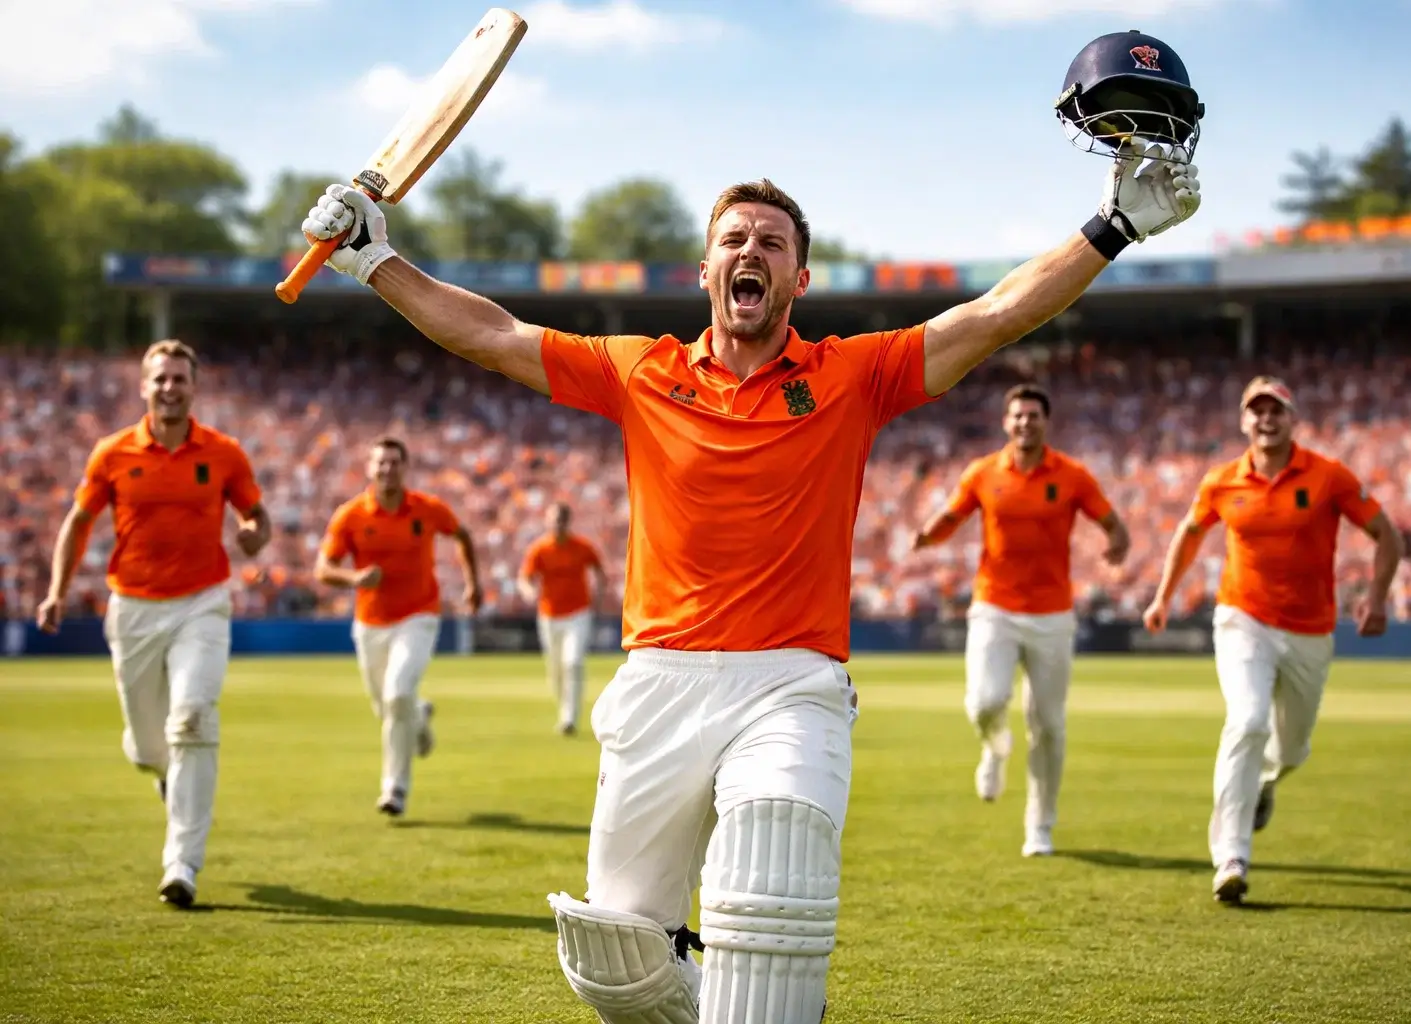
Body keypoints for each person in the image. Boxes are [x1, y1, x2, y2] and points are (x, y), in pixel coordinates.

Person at [297, 134, 1200, 1022]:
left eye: (771, 243)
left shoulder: (853, 374)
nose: (750, 253)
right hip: (659, 681)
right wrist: (378, 259)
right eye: (734, 240)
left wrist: (1112, 224)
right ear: (704, 270)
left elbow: (995, 314)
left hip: (791, 681)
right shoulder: (638, 370)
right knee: (614, 960)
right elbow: (494, 335)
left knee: (774, 861)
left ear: (799, 280)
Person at [1142, 376, 1402, 904]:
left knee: (1292, 749)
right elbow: (1190, 535)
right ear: (1243, 421)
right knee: (1246, 720)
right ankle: (1231, 856)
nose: (1265, 419)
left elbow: (1386, 535)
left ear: (1292, 419)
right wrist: (1163, 596)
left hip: (1310, 629)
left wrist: (1376, 597)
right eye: (1255, 410)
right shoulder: (1221, 482)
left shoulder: (1328, 476)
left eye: (1276, 410)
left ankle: (1265, 782)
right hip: (1243, 619)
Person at [35, 340, 272, 908]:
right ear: (144, 387)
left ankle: (181, 864)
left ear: (194, 387)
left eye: (179, 379)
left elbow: (256, 518)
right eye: (160, 379)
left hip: (203, 604)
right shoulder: (112, 453)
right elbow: (78, 522)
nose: (170, 387)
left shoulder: (224, 453)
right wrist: (56, 592)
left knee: (192, 719)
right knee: (148, 748)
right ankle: (159, 767)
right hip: (134, 608)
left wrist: (253, 536)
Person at [912, 382, 1128, 857]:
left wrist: (1118, 544)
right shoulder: (983, 472)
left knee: (1048, 725)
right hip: (994, 606)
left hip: (1052, 615)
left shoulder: (1072, 475)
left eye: (1033, 415)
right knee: (985, 701)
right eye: (1018, 416)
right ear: (1006, 423)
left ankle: (1040, 827)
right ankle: (993, 746)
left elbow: (1111, 522)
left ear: (1045, 423)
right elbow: (953, 515)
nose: (1025, 422)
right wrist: (927, 535)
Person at [315, 437, 482, 818]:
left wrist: (473, 583)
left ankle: (395, 788)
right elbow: (322, 569)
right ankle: (419, 716)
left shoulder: (426, 509)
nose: (387, 469)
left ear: (405, 468)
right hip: (370, 623)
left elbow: (462, 535)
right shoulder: (351, 515)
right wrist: (355, 578)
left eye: (394, 462)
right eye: (381, 463)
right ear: (369, 469)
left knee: (395, 695)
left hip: (419, 616)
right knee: (387, 706)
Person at [519, 502, 607, 736]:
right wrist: (528, 590)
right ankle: (563, 708)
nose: (557, 525)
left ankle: (570, 717)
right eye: (553, 520)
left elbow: (599, 571)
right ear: (547, 521)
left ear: (568, 522)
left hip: (578, 613)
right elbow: (525, 577)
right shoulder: (539, 549)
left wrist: (599, 595)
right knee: (556, 667)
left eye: (561, 520)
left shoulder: (582, 547)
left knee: (573, 662)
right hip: (549, 616)